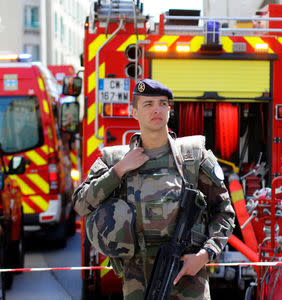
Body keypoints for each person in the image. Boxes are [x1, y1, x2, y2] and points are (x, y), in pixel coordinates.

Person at [72, 79, 235, 299]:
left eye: (162, 103)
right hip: (138, 279)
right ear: (134, 112)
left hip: (188, 276)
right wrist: (119, 171)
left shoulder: (193, 157)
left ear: (170, 110)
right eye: (148, 104)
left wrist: (205, 255)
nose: (156, 109)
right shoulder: (114, 160)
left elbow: (224, 212)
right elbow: (81, 204)